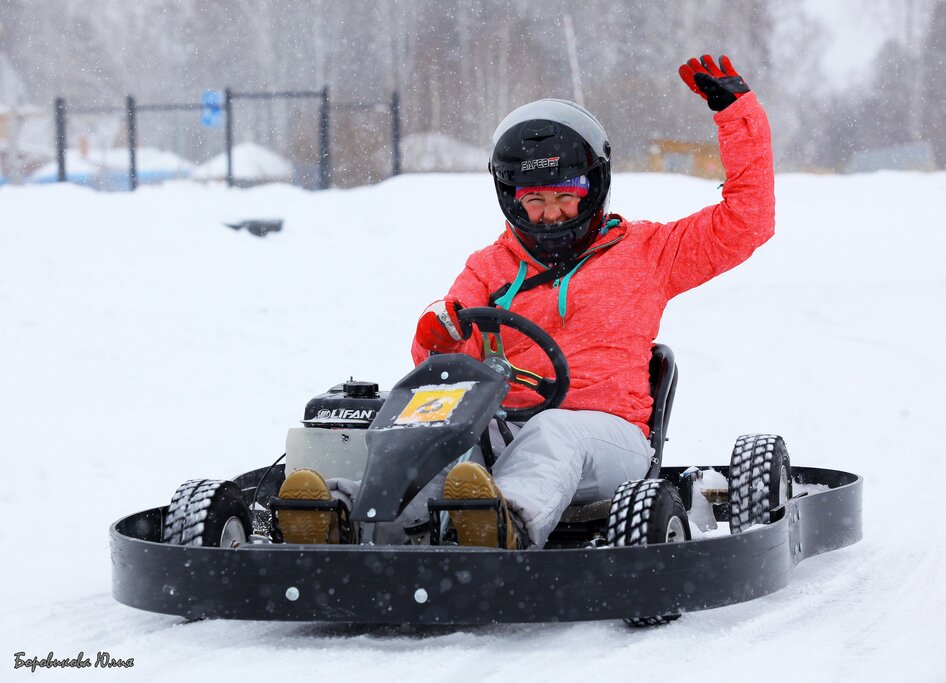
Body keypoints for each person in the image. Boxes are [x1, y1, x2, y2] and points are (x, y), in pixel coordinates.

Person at [279, 55, 774, 550]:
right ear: (513, 199)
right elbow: (448, 370)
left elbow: (746, 222)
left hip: (606, 438)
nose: (552, 214)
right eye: (536, 200)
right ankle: (345, 518)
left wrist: (737, 114)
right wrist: (434, 336)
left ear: (593, 186)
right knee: (442, 439)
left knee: (555, 432)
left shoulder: (646, 253)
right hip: (503, 429)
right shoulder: (489, 267)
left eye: (564, 196)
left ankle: (503, 523)